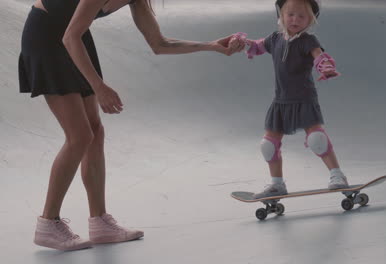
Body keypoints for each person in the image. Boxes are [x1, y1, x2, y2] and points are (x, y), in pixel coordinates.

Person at [18, 0, 245, 251]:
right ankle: (48, 223)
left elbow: (159, 44)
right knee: (79, 136)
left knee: (95, 132)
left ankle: (100, 222)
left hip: (75, 38)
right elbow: (70, 37)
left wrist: (213, 46)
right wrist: (99, 87)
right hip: (49, 36)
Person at [242, 0, 349, 199]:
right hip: (280, 101)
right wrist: (243, 43)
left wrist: (326, 67)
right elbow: (257, 46)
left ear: (310, 20)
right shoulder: (274, 39)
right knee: (268, 145)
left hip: (304, 99)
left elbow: (319, 56)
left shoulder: (308, 40)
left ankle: (337, 175)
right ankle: (277, 184)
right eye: (290, 14)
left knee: (317, 139)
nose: (295, 19)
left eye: (302, 16)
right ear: (281, 16)